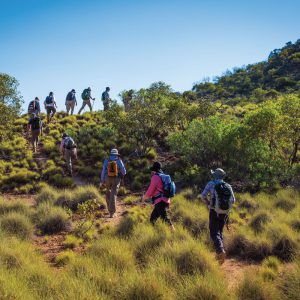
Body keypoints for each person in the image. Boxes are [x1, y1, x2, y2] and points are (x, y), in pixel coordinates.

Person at [201, 168, 235, 264]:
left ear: (215, 176)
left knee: (214, 232)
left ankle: (220, 251)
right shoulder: (228, 185)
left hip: (214, 211)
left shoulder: (211, 184)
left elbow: (203, 196)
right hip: (225, 213)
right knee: (219, 232)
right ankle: (219, 255)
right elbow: (233, 200)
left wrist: (209, 204)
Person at [142, 162, 175, 230]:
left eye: (152, 170)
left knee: (164, 217)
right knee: (152, 219)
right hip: (165, 200)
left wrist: (144, 197)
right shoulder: (163, 176)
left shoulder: (155, 177)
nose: (151, 172)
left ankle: (173, 231)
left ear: (154, 170)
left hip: (160, 201)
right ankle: (153, 232)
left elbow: (151, 190)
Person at [100, 148, 126, 218]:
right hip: (116, 179)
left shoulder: (106, 160)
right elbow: (124, 172)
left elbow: (103, 171)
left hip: (107, 179)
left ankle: (109, 209)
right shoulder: (119, 160)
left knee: (108, 193)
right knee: (113, 194)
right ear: (117, 154)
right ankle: (112, 213)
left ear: (111, 154)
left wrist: (102, 181)